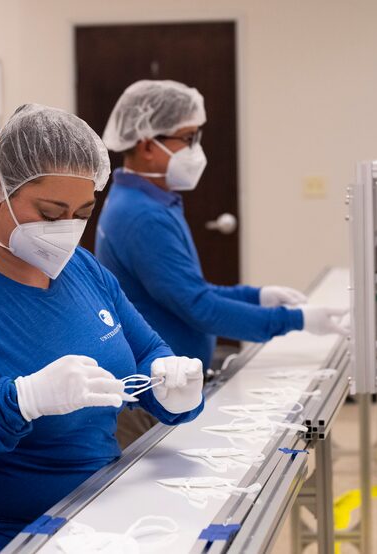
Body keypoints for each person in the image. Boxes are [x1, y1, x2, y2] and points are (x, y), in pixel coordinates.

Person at [0, 104, 204, 554]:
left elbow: (146, 347)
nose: (67, 230)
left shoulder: (82, 269)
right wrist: (22, 400)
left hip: (89, 517)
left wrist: (169, 383)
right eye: (51, 213)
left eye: (82, 212)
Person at [95, 80, 347, 446]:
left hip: (169, 386)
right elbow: (198, 307)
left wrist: (257, 296)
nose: (196, 150)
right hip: (156, 398)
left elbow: (188, 290)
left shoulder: (150, 200)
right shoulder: (141, 216)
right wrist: (297, 320)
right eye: (188, 138)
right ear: (148, 144)